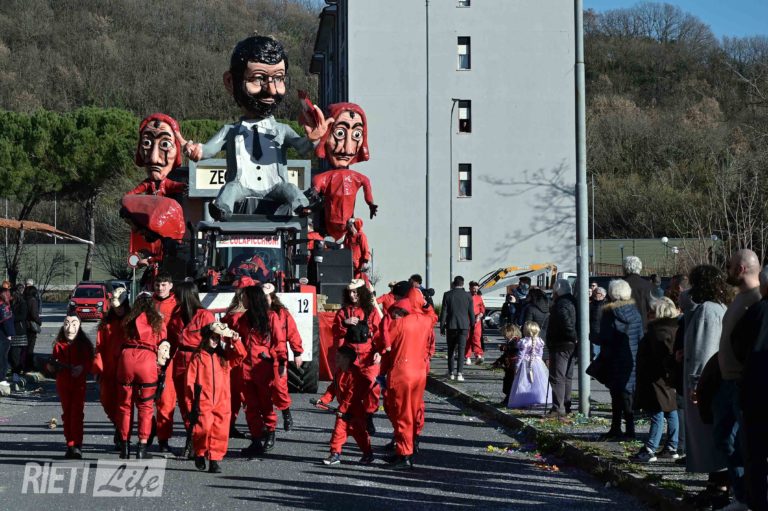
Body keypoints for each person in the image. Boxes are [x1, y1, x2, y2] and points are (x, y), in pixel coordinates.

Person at [184, 35, 330, 219]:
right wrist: (198, 150)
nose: (271, 90)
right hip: (241, 186)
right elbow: (209, 149)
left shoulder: (282, 130)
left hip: (276, 186)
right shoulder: (231, 131)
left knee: (291, 188)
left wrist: (313, 139)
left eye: (278, 78)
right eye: (259, 78)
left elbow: (301, 147)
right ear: (230, 82)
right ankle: (222, 209)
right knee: (229, 189)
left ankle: (303, 206)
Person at [711, 249, 761, 510]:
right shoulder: (739, 298)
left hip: (742, 383)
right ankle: (742, 496)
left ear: (741, 269)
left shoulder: (757, 300)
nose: (727, 270)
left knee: (742, 443)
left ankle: (747, 498)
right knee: (725, 438)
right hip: (727, 381)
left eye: (730, 266)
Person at [682, 265, 730, 509]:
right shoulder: (717, 307)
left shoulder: (707, 311)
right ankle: (716, 484)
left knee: (708, 437)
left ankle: (718, 486)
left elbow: (705, 350)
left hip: (706, 383)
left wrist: (696, 383)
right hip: (713, 381)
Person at [381, 288, 435, 469]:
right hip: (419, 373)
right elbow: (432, 315)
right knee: (412, 413)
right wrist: (426, 305)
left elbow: (384, 344)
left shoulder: (400, 323)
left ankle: (404, 455)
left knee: (401, 415)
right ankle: (404, 451)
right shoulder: (426, 321)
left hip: (402, 373)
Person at [310, 102, 378, 240]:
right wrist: (315, 190)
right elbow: (318, 180)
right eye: (339, 133)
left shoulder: (356, 177)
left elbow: (366, 183)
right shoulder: (330, 176)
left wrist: (370, 203)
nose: (348, 149)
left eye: (357, 134)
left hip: (344, 222)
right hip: (330, 222)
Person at [185, 322, 246, 473]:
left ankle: (214, 460)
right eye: (212, 338)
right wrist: (191, 404)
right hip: (203, 400)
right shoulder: (198, 357)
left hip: (222, 401)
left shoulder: (223, 357)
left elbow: (241, 355)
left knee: (220, 431)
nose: (215, 341)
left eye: (217, 338)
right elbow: (189, 382)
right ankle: (199, 453)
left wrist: (235, 340)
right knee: (203, 429)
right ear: (206, 338)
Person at [234, 284, 286, 456]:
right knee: (250, 406)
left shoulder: (271, 317)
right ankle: (256, 439)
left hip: (263, 366)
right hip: (245, 367)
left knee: (265, 403)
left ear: (252, 299)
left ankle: (270, 432)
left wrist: (281, 362)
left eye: (244, 297)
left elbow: (279, 341)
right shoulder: (243, 319)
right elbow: (239, 340)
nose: (242, 300)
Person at [732, 265, 768, 511]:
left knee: (756, 454)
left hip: (756, 391)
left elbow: (737, 345)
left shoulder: (756, 311)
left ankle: (758, 503)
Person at [167, 281, 216, 457]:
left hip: (199, 361)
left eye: (177, 295)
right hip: (180, 361)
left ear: (186, 296)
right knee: (184, 404)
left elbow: (213, 343)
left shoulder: (205, 316)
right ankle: (191, 439)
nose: (174, 299)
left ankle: (201, 441)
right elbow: (170, 342)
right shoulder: (176, 316)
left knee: (199, 404)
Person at [116, 293, 167, 459]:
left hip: (127, 358)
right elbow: (163, 345)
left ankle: (124, 446)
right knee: (145, 407)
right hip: (147, 360)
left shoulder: (128, 320)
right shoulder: (157, 321)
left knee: (125, 406)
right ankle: (142, 447)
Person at [632, 297, 680, 462]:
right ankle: (672, 446)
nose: (647, 314)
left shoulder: (657, 332)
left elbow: (661, 355)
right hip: (666, 377)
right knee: (671, 410)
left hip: (654, 377)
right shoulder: (674, 328)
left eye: (651, 311)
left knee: (656, 412)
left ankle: (650, 448)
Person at [595, 279, 643, 439]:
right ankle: (630, 429)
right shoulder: (635, 312)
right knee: (628, 393)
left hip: (614, 358)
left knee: (616, 394)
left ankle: (616, 427)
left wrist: (593, 337)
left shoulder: (609, 313)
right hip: (631, 357)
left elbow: (605, 338)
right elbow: (640, 337)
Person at [332, 279, 382, 433]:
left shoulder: (372, 312)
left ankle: (369, 415)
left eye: (355, 292)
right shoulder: (343, 312)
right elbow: (335, 332)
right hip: (350, 356)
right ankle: (350, 417)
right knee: (348, 388)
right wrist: (344, 323)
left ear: (362, 293)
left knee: (372, 387)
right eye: (350, 293)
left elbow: (379, 334)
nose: (352, 295)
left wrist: (379, 351)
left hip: (368, 356)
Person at [316, 345, 374, 466]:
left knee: (360, 434)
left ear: (347, 359)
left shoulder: (355, 375)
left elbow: (352, 396)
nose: (336, 358)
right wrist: (323, 401)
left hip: (355, 411)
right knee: (338, 432)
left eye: (339, 357)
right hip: (345, 411)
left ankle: (368, 453)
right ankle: (335, 454)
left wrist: (342, 409)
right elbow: (333, 388)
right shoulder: (339, 372)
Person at [47, 314, 93, 459]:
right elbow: (53, 364)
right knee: (67, 414)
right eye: (66, 324)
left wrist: (82, 368)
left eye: (74, 324)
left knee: (76, 414)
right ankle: (70, 445)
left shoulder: (84, 345)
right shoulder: (58, 345)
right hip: (63, 384)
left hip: (79, 384)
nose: (69, 328)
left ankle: (77, 445)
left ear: (79, 327)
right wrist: (50, 367)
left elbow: (91, 362)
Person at [93, 287, 130, 449]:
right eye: (116, 307)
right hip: (108, 369)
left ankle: (122, 434)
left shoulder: (132, 320)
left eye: (121, 306)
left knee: (124, 403)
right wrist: (97, 368)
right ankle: (118, 426)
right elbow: (99, 346)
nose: (118, 309)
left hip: (127, 368)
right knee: (107, 401)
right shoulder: (106, 323)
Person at [265, 283, 303, 431]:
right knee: (262, 390)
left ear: (272, 297)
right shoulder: (256, 313)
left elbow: (292, 333)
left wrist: (297, 353)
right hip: (260, 357)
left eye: (266, 297)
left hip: (277, 355)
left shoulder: (282, 313)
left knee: (280, 388)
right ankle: (267, 422)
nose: (264, 300)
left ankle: (286, 414)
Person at [152, 272, 178, 453]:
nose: (160, 288)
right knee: (145, 400)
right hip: (149, 356)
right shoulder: (148, 304)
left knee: (166, 400)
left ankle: (163, 439)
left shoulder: (177, 305)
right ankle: (148, 430)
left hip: (170, 358)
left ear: (170, 285)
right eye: (157, 285)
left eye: (163, 285)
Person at [223, 277, 251, 439]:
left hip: (231, 356)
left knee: (233, 394)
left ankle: (229, 425)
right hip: (242, 357)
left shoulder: (231, 312)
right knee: (246, 394)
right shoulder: (241, 316)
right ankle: (257, 428)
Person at [546, 279, 578, 416]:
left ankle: (558, 408)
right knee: (567, 377)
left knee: (558, 377)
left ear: (557, 292)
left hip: (561, 344)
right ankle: (566, 405)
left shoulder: (561, 304)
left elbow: (566, 323)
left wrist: (573, 336)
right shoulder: (573, 301)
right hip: (570, 344)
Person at [507, 321, 552, 409]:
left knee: (524, 382)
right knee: (538, 382)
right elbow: (540, 354)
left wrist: (517, 366)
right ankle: (539, 398)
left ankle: (524, 399)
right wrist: (539, 362)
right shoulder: (540, 341)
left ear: (525, 331)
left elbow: (521, 355)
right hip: (537, 363)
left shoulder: (524, 341)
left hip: (525, 363)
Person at [439, 276, 474, 381]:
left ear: (454, 283)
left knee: (451, 350)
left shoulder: (447, 294)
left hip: (451, 325)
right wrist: (472, 325)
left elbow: (444, 312)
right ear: (463, 284)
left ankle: (451, 373)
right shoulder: (468, 295)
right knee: (461, 350)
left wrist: (442, 326)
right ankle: (459, 373)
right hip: (464, 326)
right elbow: (471, 312)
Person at [622, 256, 654, 331]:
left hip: (624, 328)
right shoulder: (647, 285)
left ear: (625, 268)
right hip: (643, 327)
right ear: (639, 267)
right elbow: (651, 307)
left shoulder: (620, 285)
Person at [494, 323, 523, 405]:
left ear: (511, 332)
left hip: (513, 365)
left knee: (511, 382)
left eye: (505, 334)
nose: (504, 336)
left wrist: (504, 347)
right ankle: (508, 398)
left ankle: (509, 399)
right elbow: (505, 354)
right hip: (508, 366)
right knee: (507, 381)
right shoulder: (509, 341)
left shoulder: (516, 340)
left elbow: (515, 349)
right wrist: (498, 361)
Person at [464, 281, 486, 365]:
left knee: (476, 338)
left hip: (477, 321)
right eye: (474, 289)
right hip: (467, 321)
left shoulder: (479, 298)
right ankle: (467, 357)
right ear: (470, 288)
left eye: (477, 289)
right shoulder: (466, 297)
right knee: (467, 338)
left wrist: (480, 315)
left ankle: (478, 355)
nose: (476, 290)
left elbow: (482, 309)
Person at [8, 283, 27, 375]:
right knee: (11, 354)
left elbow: (23, 316)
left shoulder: (22, 303)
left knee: (15, 354)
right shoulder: (11, 303)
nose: (10, 297)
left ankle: (17, 373)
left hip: (19, 331)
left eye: (11, 295)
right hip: (12, 331)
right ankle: (14, 372)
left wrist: (11, 317)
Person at [344, 218, 371, 283]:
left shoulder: (361, 236)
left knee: (356, 284)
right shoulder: (347, 236)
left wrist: (364, 264)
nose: (348, 227)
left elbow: (365, 251)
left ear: (353, 225)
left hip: (358, 268)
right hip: (348, 266)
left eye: (350, 225)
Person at [22, 284, 41, 372]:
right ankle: (29, 365)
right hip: (31, 326)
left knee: (25, 346)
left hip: (23, 325)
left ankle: (25, 364)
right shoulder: (32, 300)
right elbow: (34, 315)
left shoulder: (23, 299)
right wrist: (39, 321)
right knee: (30, 346)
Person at [0, 288, 14, 383]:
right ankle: (1, 378)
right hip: (3, 335)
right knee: (3, 357)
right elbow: (6, 322)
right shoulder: (3, 306)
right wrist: (10, 334)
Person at [589, 286, 606, 358]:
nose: (595, 294)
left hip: (602, 336)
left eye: (597, 293)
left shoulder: (607, 305)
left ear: (603, 295)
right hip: (593, 336)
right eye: (594, 292)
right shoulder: (591, 305)